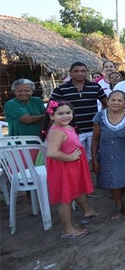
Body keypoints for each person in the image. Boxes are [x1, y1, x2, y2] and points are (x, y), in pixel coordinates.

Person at [42, 101, 99, 239]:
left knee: (78, 189)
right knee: (65, 199)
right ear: (52, 116)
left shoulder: (68, 126)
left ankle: (87, 211)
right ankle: (68, 229)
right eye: (60, 113)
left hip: (73, 165)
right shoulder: (56, 131)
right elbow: (52, 153)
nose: (65, 116)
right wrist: (69, 157)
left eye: (68, 113)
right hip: (64, 168)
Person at [91, 90, 125, 219]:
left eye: (120, 100)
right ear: (107, 101)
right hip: (107, 154)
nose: (116, 103)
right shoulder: (99, 116)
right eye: (113, 100)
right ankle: (118, 204)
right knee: (111, 179)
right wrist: (95, 160)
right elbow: (95, 139)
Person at [51, 62, 108, 161]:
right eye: (76, 71)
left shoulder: (95, 87)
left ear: (86, 73)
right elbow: (51, 108)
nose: (80, 73)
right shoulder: (61, 89)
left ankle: (92, 177)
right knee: (77, 160)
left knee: (94, 159)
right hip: (73, 131)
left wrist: (102, 117)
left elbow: (106, 103)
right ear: (70, 73)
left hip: (93, 130)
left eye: (83, 71)